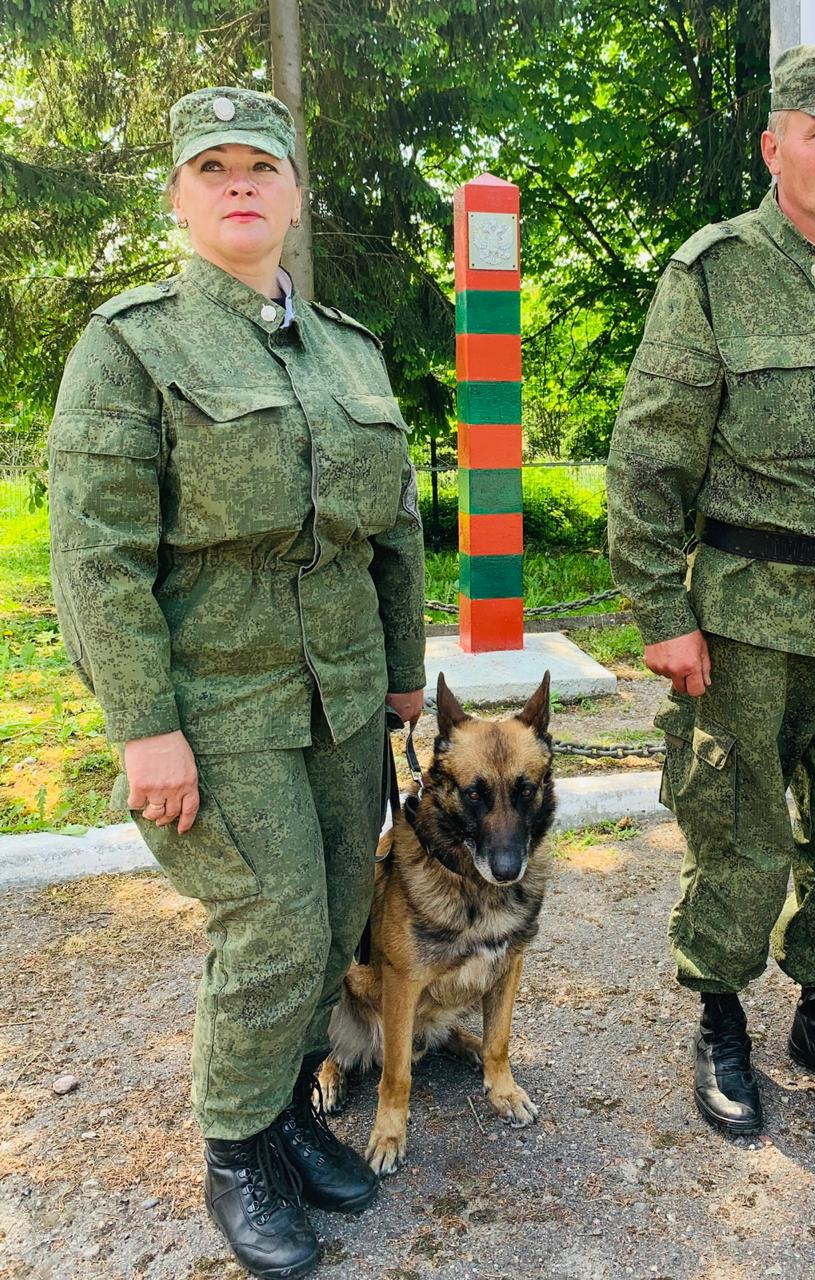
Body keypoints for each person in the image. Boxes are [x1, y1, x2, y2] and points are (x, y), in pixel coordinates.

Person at [48, 87, 426, 1278]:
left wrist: (403, 675)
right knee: (272, 923)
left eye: (259, 166)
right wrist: (143, 725)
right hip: (214, 703)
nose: (239, 185)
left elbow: (394, 529)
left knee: (336, 915)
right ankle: (233, 1152)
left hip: (342, 694)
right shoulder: (132, 345)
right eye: (211, 168)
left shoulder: (349, 350)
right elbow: (97, 557)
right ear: (179, 196)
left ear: (295, 195)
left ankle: (282, 1113)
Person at [606, 46, 815, 1138]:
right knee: (739, 830)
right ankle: (719, 1019)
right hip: (748, 617)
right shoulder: (712, 274)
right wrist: (662, 614)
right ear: (774, 146)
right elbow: (647, 460)